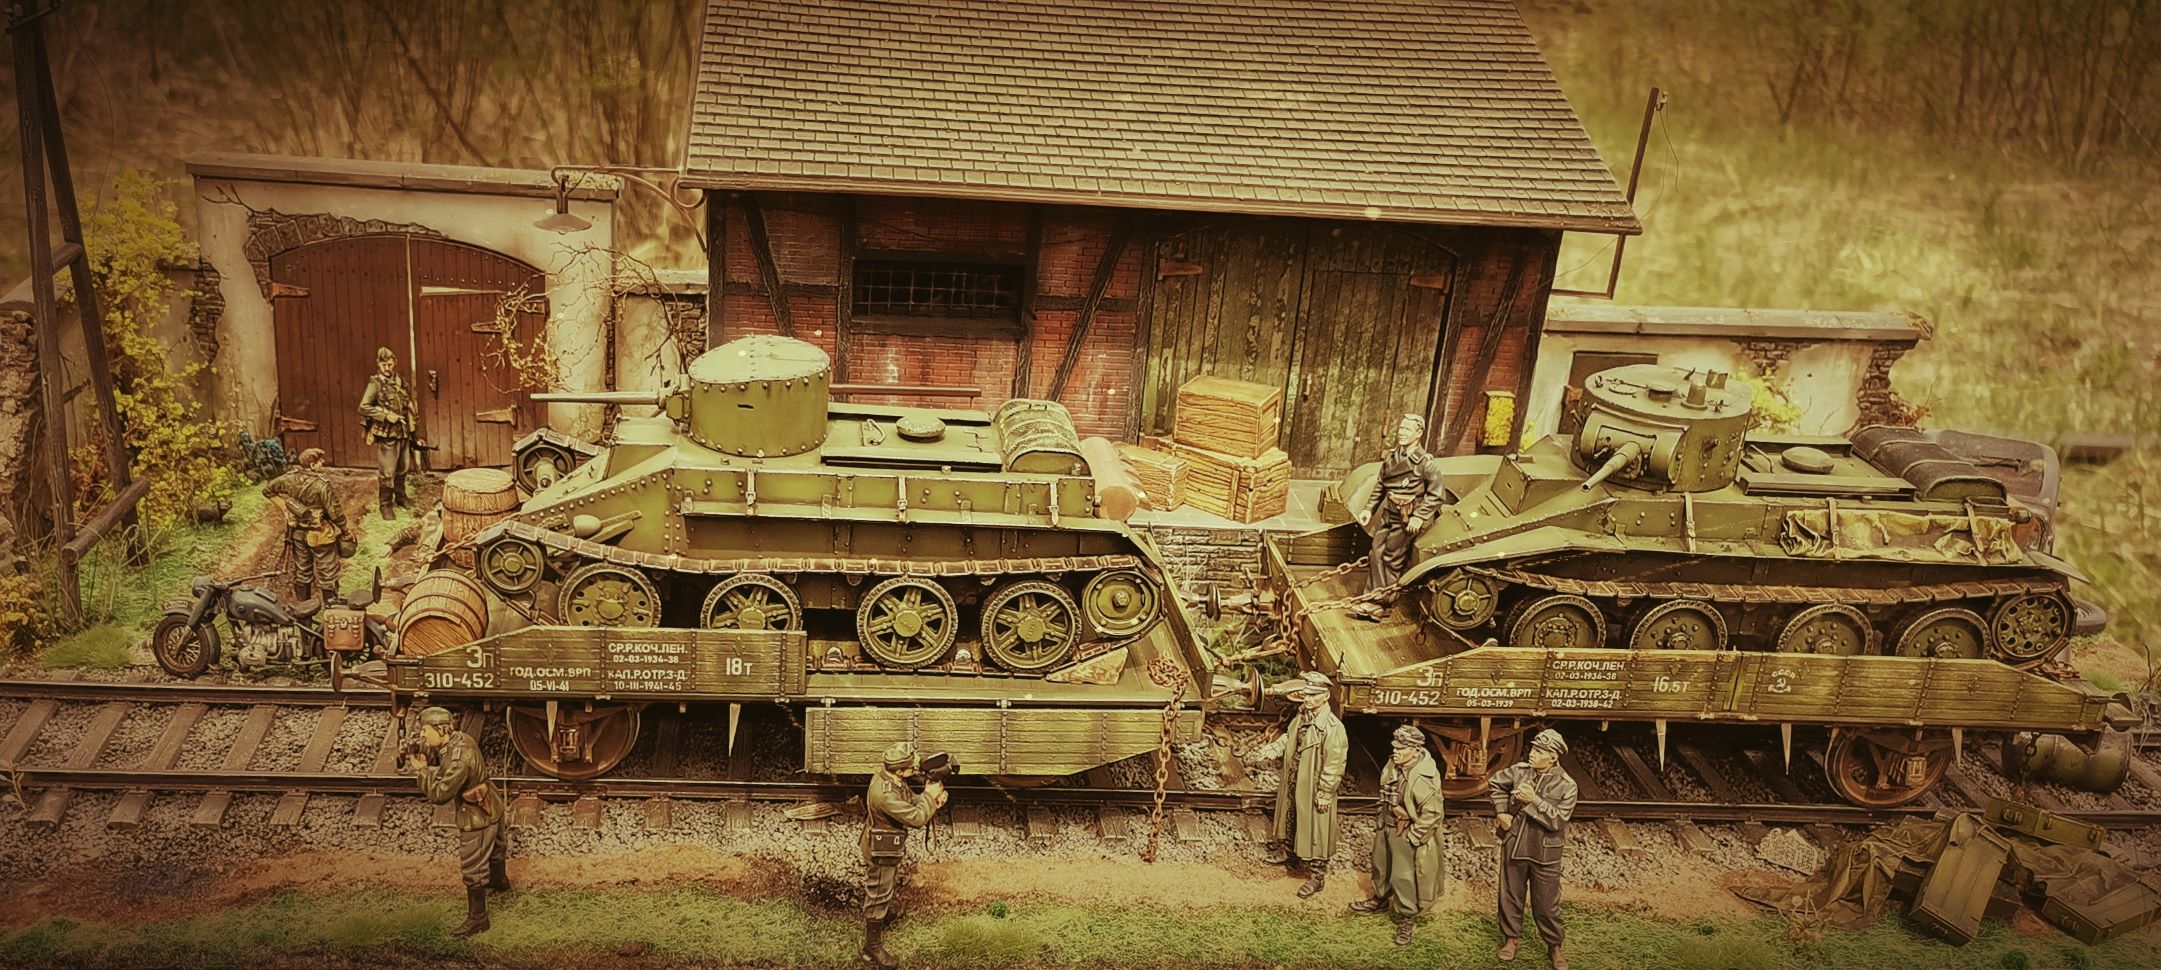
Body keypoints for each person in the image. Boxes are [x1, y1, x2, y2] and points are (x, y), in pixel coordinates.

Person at [405, 706, 509, 937]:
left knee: (473, 866)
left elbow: (440, 794)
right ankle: (500, 881)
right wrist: (421, 748)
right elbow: (442, 755)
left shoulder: (460, 760)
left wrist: (423, 771)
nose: (422, 735)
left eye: (425, 731)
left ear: (441, 730)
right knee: (496, 847)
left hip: (476, 815)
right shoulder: (461, 739)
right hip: (491, 803)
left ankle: (478, 919)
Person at [1247, 671, 1348, 898]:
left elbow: (1335, 763)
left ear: (1325, 696)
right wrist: (1275, 747)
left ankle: (1317, 875)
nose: (1307, 698)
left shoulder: (1332, 728)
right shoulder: (1303, 715)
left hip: (1314, 784)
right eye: (1306, 694)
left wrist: (1325, 792)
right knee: (1291, 816)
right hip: (1295, 777)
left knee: (1317, 829)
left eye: (1312, 695)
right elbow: (1290, 736)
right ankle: (1290, 854)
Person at [1489, 728, 1578, 969]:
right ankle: (1511, 938)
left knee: (1547, 903)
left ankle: (1554, 945)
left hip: (1545, 851)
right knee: (1510, 895)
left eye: (1539, 751)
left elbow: (1558, 820)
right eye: (1533, 749)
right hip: (1515, 842)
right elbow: (1495, 783)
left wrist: (1533, 800)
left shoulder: (1567, 785)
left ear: (1553, 757)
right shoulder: (1519, 771)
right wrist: (1501, 812)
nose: (1532, 754)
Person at [1350, 724, 1445, 945]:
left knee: (1404, 876)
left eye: (1402, 748)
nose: (1396, 752)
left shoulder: (1425, 776)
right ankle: (1380, 898)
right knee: (1381, 864)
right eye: (1395, 747)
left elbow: (1433, 814)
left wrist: (1414, 837)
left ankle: (1407, 916)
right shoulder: (1396, 763)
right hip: (1387, 822)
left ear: (1416, 750)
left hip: (1405, 830)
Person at [861, 741, 948, 968]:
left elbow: (909, 801)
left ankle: (884, 914)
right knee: (878, 892)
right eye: (911, 768)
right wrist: (928, 796)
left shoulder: (890, 778)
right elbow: (916, 818)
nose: (915, 770)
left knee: (885, 884)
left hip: (888, 842)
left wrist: (932, 800)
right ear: (899, 770)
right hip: (881, 849)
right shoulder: (885, 795)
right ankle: (872, 947)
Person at [1351, 413, 1444, 621]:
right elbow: (1381, 486)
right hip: (1389, 515)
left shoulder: (1426, 464)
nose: (1401, 433)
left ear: (1418, 433)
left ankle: (1381, 603)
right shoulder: (1392, 457)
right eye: (1401, 428)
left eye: (1407, 429)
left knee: (1392, 559)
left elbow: (1436, 495)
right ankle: (1374, 598)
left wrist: (1419, 516)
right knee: (1375, 554)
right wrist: (1368, 509)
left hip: (1406, 520)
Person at [261, 447, 350, 605]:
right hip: (320, 534)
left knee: (302, 571)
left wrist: (284, 506)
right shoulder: (322, 485)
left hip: (297, 533)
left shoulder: (289, 478)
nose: (323, 462)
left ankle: (304, 609)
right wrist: (345, 529)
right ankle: (331, 606)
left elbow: (268, 490)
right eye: (320, 461)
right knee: (328, 570)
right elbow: (335, 513)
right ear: (312, 465)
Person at [358, 346, 418, 520]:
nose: (387, 368)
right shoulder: (375, 384)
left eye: (390, 364)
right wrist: (385, 416)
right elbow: (363, 407)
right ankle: (385, 505)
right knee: (387, 472)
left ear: (394, 363)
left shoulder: (401, 382)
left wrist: (415, 432)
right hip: (387, 434)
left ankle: (401, 498)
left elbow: (410, 407)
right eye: (383, 364)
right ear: (378, 364)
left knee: (403, 468)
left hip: (403, 432)